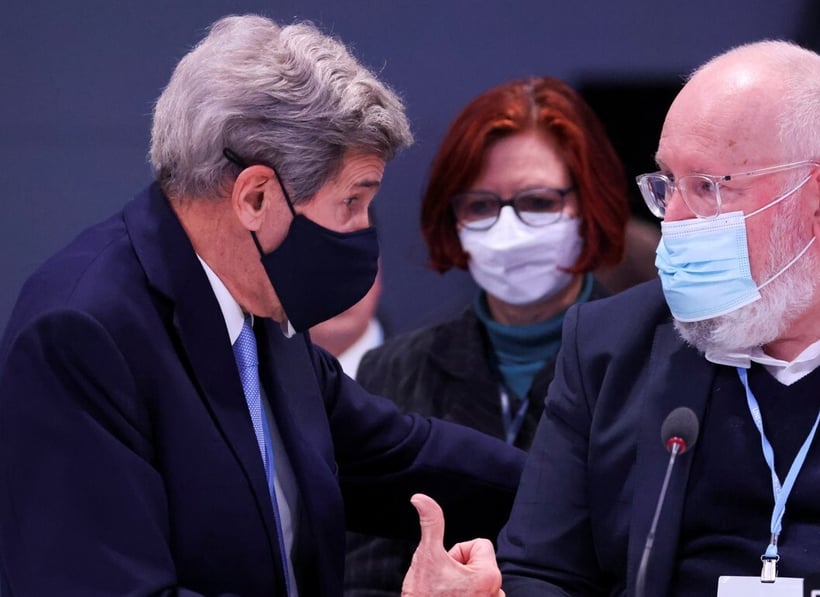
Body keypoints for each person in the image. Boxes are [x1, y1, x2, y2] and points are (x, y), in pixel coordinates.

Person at [0, 14, 524, 596]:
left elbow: (394, 456)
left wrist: (579, 493)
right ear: (255, 197)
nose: (362, 234)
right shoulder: (80, 334)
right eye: (352, 201)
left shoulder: (259, 303)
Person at [491, 39, 820, 595]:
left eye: (708, 188)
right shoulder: (606, 346)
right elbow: (542, 572)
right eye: (667, 184)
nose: (673, 218)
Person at [342, 75, 631, 594]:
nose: (507, 229)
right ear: (452, 220)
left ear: (590, 205)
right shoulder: (394, 368)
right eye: (479, 206)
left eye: (538, 201)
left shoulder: (653, 362)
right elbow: (366, 577)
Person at [309, 258, 386, 376]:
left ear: (378, 279)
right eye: (320, 271)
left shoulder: (415, 372)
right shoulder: (273, 377)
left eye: (355, 269)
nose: (340, 291)